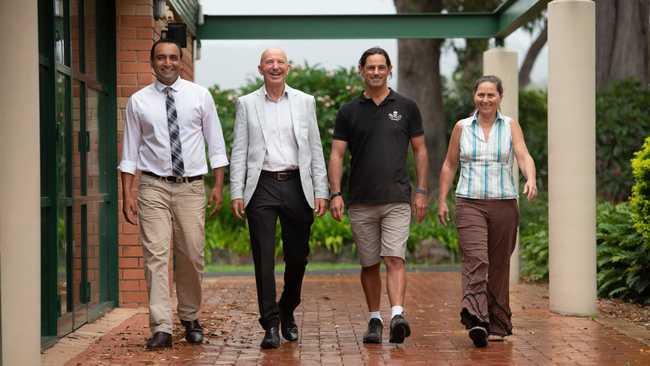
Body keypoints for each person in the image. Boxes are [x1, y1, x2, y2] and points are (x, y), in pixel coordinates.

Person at [118, 39, 229, 350]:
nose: (167, 63)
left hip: (191, 186)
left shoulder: (200, 96)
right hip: (152, 185)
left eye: (172, 58)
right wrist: (127, 193)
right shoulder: (138, 101)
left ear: (180, 61)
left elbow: (215, 143)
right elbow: (129, 151)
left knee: (192, 254)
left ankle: (191, 317)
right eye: (160, 58)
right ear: (151, 62)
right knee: (156, 256)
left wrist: (218, 185)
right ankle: (161, 327)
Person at [328, 47, 429, 344]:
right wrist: (335, 193)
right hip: (360, 200)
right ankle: (375, 319)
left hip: (397, 198)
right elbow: (336, 154)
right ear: (361, 70)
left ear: (389, 70)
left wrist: (422, 190)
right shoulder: (348, 111)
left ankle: (397, 314)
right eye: (370, 67)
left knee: (395, 257)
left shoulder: (407, 107)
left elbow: (420, 150)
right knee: (369, 263)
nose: (375, 72)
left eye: (380, 67)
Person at [229, 48, 329, 349]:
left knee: (298, 257)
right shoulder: (246, 104)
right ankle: (270, 323)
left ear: (288, 67)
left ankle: (288, 307)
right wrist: (237, 189)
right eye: (269, 62)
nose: (275, 67)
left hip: (297, 184)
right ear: (261, 68)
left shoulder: (305, 102)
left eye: (280, 62)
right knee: (263, 256)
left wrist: (321, 188)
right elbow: (239, 149)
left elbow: (315, 147)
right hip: (262, 186)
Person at [437, 75, 537, 348]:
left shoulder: (511, 126)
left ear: (500, 97)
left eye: (491, 95)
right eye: (481, 94)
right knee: (477, 259)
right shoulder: (462, 127)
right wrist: (443, 199)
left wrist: (530, 178)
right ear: (474, 97)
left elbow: (523, 155)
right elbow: (449, 164)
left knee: (499, 265)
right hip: (469, 202)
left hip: (504, 203)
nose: (485, 100)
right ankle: (476, 318)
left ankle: (499, 323)